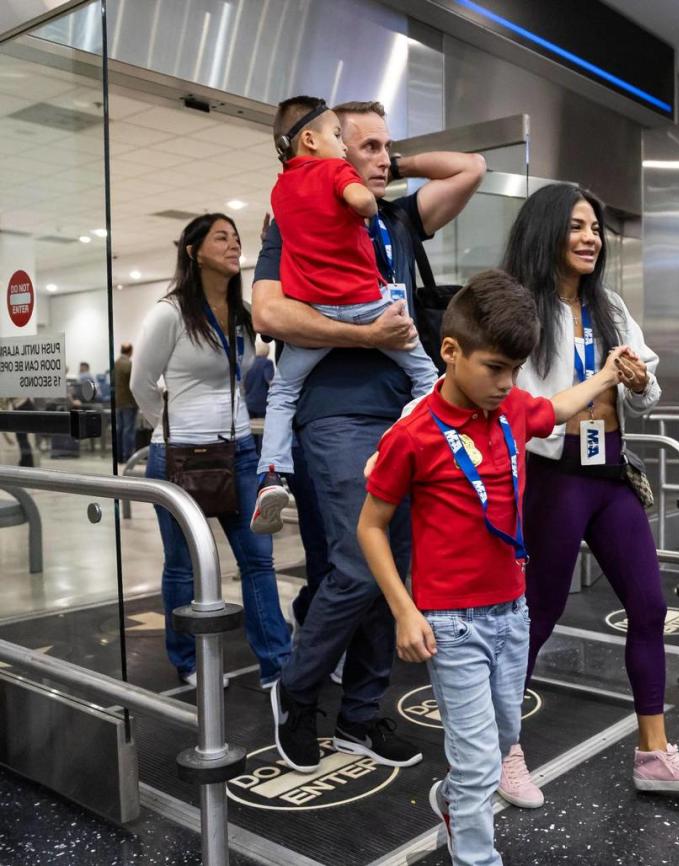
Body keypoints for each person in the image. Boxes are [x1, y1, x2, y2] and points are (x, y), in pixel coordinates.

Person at [358, 271, 632, 866]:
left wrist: (606, 377)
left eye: (515, 370)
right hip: (450, 622)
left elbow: (555, 408)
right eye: (495, 368)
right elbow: (371, 526)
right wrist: (405, 610)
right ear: (449, 353)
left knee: (505, 737)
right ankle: (475, 852)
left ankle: (457, 803)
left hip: (513, 611)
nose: (505, 384)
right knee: (480, 758)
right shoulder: (414, 436)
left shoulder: (511, 408)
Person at [253, 99, 485, 769]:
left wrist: (389, 160)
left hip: (406, 416)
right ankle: (297, 693)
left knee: (395, 573)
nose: (384, 157)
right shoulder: (294, 219)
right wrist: (364, 334)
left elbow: (470, 168)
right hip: (335, 415)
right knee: (357, 567)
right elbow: (270, 313)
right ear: (330, 153)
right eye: (370, 146)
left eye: (391, 146)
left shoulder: (396, 217)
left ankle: (360, 715)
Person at [500, 183, 679, 801]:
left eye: (595, 227)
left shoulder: (611, 307)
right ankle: (501, 750)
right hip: (554, 474)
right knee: (536, 617)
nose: (590, 237)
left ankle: (653, 754)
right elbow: (508, 399)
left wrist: (639, 378)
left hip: (611, 472)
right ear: (548, 232)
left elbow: (647, 397)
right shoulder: (521, 308)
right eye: (576, 226)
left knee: (649, 607)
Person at [251, 97, 437, 534]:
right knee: (426, 372)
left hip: (313, 309)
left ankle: (270, 474)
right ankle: (423, 423)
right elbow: (363, 203)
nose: (380, 160)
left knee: (281, 395)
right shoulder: (337, 172)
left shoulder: (280, 191)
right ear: (311, 140)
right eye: (340, 137)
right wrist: (363, 203)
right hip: (363, 302)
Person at [131, 214, 291, 689]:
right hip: (180, 459)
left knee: (258, 560)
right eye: (221, 237)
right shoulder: (171, 312)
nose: (232, 243)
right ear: (194, 251)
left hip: (239, 451)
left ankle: (277, 664)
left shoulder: (243, 312)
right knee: (182, 566)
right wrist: (168, 428)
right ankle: (186, 659)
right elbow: (142, 383)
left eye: (235, 237)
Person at [113, 342, 137, 463]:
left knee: (120, 429)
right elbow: (134, 384)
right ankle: (128, 456)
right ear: (130, 351)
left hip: (118, 402)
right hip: (129, 402)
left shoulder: (115, 364)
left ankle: (118, 456)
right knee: (128, 430)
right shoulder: (129, 365)